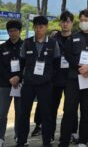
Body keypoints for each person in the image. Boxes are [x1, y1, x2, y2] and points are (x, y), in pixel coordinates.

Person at [59, 9, 88, 147]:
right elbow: (68, 55)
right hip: (74, 78)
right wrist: (79, 67)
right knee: (69, 111)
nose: (83, 23)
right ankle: (64, 141)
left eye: (86, 20)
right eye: (81, 20)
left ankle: (83, 141)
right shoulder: (73, 37)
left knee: (87, 111)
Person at [15, 16, 61, 147]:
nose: (39, 29)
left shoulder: (53, 43)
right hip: (29, 83)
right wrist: (20, 77)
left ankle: (47, 142)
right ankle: (22, 141)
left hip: (45, 84)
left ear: (46, 27)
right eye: (36, 26)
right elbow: (22, 63)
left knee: (46, 114)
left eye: (42, 26)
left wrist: (50, 78)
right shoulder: (27, 43)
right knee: (24, 114)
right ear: (33, 27)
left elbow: (57, 64)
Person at [0, 20, 25, 147]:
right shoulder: (0, 48)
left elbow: (27, 65)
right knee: (2, 113)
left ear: (20, 31)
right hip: (5, 85)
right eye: (10, 31)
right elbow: (0, 67)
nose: (13, 33)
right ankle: (0, 138)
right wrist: (10, 78)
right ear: (7, 32)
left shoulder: (26, 46)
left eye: (15, 30)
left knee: (20, 112)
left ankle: (19, 136)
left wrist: (18, 77)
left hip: (20, 84)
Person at [51, 11, 79, 143]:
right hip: (55, 78)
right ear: (60, 23)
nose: (65, 24)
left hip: (71, 77)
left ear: (72, 23)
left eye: (68, 21)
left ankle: (73, 131)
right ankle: (50, 133)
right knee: (52, 107)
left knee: (70, 108)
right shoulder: (53, 39)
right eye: (63, 21)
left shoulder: (77, 38)